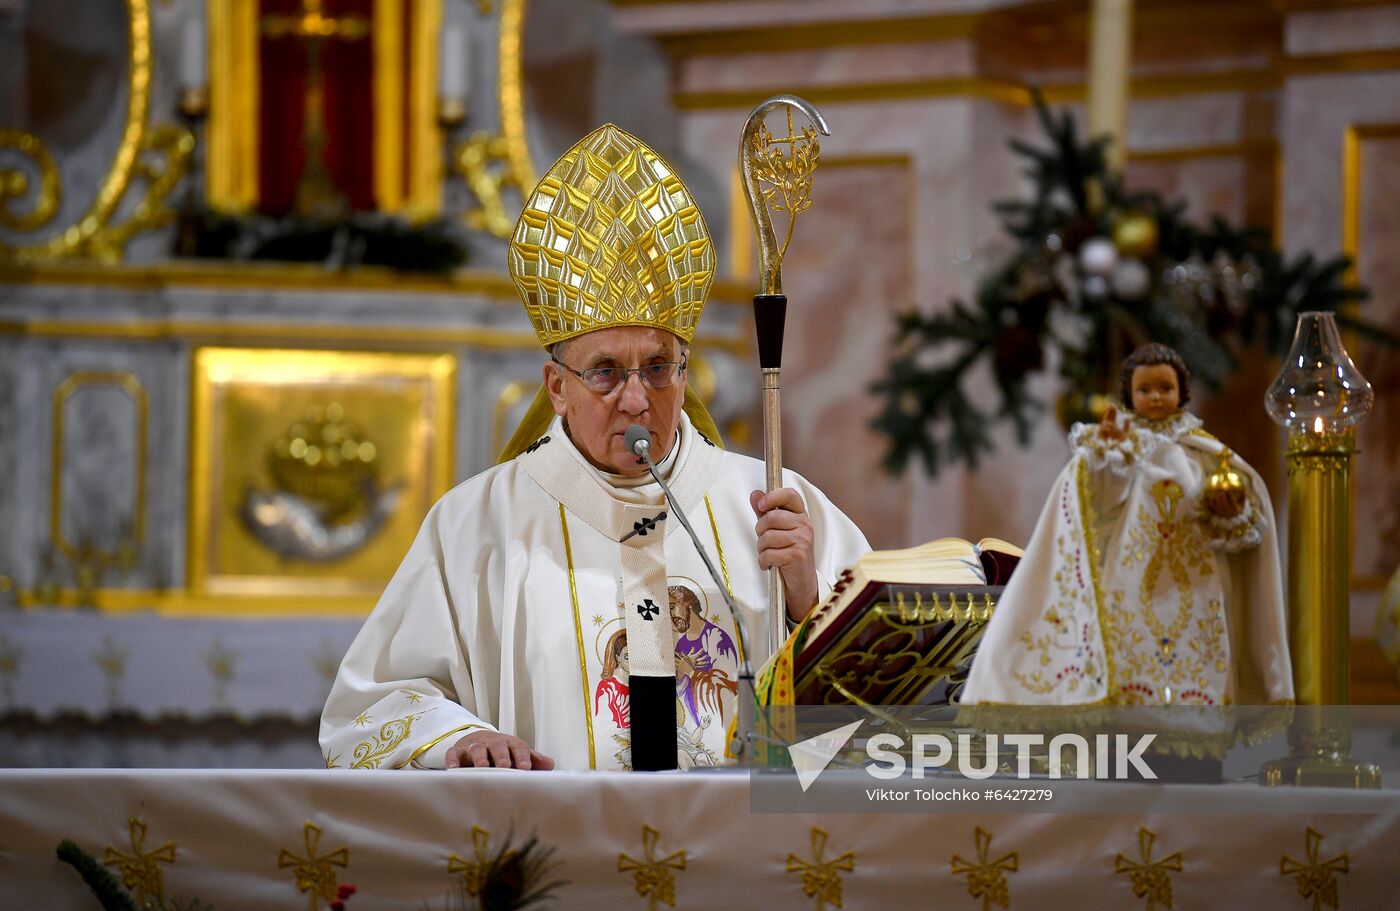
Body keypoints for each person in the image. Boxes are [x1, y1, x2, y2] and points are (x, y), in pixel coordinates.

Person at [320, 124, 869, 772]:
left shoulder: (777, 509)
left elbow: (901, 713)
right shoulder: (478, 524)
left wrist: (807, 601)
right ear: (557, 386)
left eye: (659, 368)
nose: (637, 398)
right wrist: (457, 738)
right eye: (606, 371)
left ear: (685, 374)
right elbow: (373, 707)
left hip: (736, 853)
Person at [959, 343, 1292, 753]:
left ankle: (1196, 743)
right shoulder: (1120, 449)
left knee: (1196, 663)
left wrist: (1232, 508)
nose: (1155, 397)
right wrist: (1106, 456)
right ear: (1129, 394)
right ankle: (1129, 743)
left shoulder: (1206, 456)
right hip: (1132, 582)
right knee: (1133, 661)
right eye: (1145, 389)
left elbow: (1235, 523)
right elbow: (1098, 500)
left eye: (1165, 388)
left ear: (1182, 393)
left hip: (1196, 587)